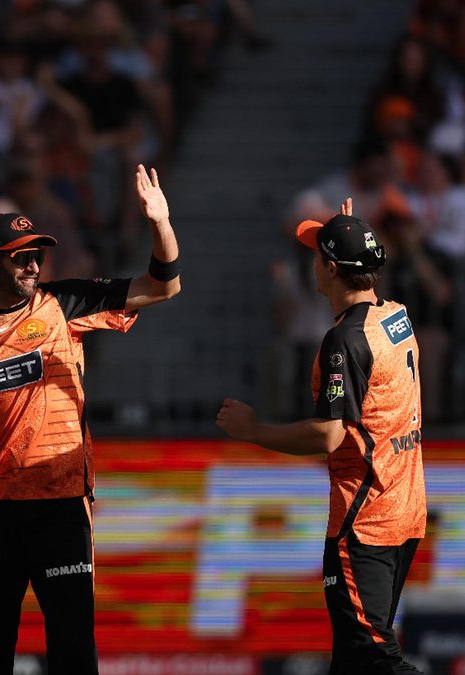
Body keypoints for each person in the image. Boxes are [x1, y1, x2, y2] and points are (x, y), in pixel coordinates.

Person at [0, 165, 181, 675]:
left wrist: (160, 224)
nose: (32, 265)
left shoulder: (66, 303)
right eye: (20, 257)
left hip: (60, 506)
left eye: (37, 255)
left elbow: (163, 287)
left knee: (71, 650)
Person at [217, 203, 426, 675]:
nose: (311, 262)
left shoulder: (345, 342)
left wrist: (254, 432)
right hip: (404, 509)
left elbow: (330, 433)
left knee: (373, 657)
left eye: (318, 254)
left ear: (330, 269)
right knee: (354, 660)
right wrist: (350, 234)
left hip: (365, 522)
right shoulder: (396, 316)